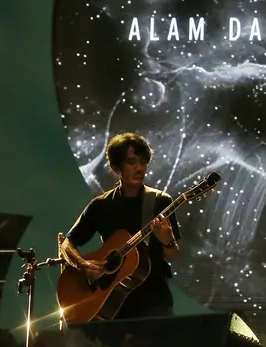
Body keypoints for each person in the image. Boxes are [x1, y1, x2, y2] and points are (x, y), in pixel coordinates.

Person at [61, 132, 182, 319]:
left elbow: (173, 254)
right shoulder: (101, 205)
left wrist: (168, 241)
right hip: (110, 302)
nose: (139, 168)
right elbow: (67, 243)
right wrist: (83, 264)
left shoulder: (160, 202)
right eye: (132, 162)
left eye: (143, 162)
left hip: (155, 300)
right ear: (115, 167)